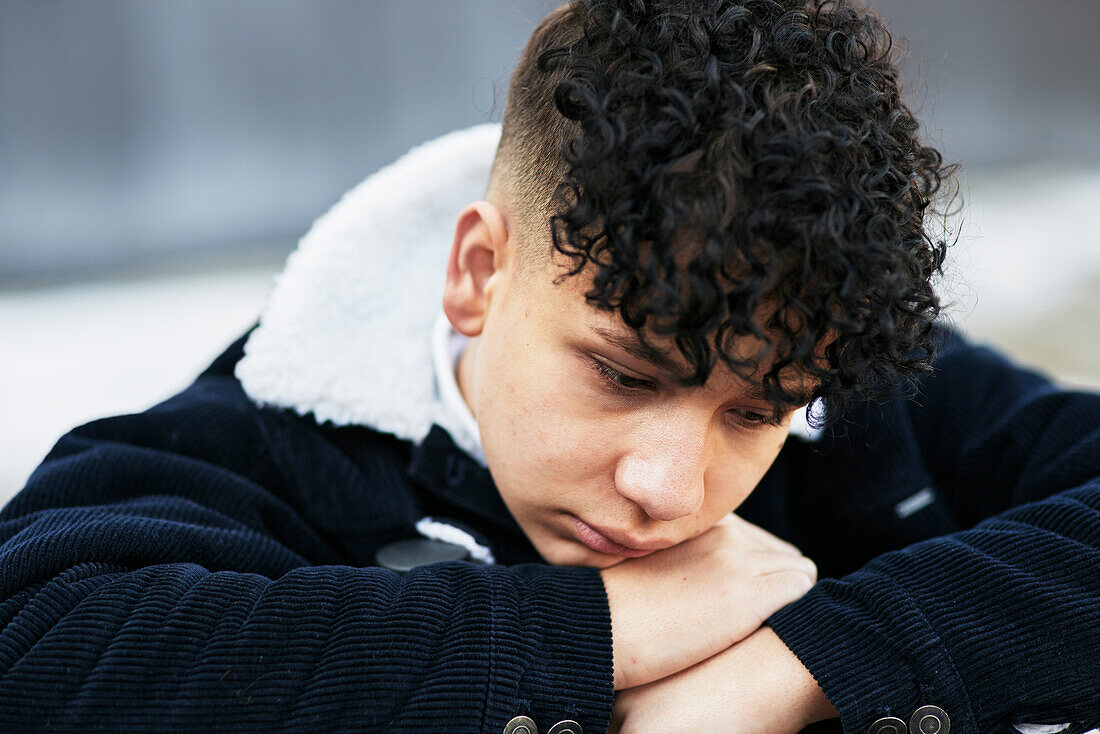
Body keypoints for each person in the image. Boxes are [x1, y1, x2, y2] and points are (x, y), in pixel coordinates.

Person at [2, 0, 1098, 732]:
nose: (667, 488)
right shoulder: (262, 434)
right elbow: (32, 642)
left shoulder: (838, 365)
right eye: (623, 373)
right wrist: (594, 633)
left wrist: (806, 660)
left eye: (756, 412)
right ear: (479, 269)